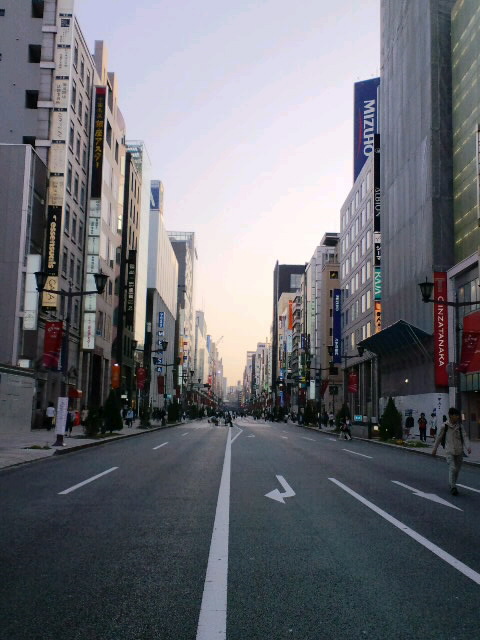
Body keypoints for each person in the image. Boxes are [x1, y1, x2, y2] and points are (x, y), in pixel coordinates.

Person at [432, 407, 471, 495]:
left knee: (457, 470)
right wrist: (434, 449)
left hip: (459, 451)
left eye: (458, 415)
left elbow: (465, 437)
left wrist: (468, 447)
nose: (457, 417)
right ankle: (453, 486)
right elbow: (438, 438)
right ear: (450, 415)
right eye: (455, 415)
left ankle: (453, 484)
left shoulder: (460, 426)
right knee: (452, 468)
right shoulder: (445, 426)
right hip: (449, 451)